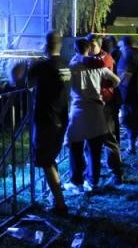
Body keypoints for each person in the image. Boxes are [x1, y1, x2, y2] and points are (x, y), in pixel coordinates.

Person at [65, 38, 120, 192]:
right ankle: (93, 182)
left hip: (79, 110)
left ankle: (77, 181)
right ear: (89, 49)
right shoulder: (98, 65)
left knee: (75, 146)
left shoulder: (72, 66)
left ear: (75, 50)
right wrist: (102, 87)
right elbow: (116, 80)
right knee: (94, 148)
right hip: (96, 109)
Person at [26, 31, 71, 214]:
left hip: (46, 120)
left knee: (46, 161)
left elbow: (23, 81)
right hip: (61, 118)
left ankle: (60, 204)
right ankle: (56, 198)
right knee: (50, 158)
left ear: (45, 45)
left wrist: (28, 66)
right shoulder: (65, 64)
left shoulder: (43, 66)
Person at [86, 34, 123, 185]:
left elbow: (112, 80)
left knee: (108, 140)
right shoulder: (91, 58)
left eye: (92, 45)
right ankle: (93, 177)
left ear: (99, 45)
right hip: (93, 106)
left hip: (104, 106)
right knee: (93, 144)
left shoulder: (104, 59)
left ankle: (115, 173)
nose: (89, 48)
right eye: (88, 45)